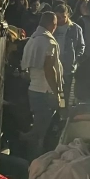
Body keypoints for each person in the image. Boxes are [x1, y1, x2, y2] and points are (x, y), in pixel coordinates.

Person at [20, 12, 63, 158]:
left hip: (34, 88)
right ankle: (34, 161)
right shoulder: (48, 41)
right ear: (52, 24)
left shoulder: (32, 39)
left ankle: (27, 146)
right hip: (45, 91)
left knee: (39, 126)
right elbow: (49, 68)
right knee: (40, 132)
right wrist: (56, 92)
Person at [53, 4, 85, 105]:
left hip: (68, 67)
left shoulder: (75, 28)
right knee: (54, 92)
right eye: (58, 17)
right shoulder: (52, 27)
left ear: (68, 15)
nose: (61, 19)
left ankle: (64, 112)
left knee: (65, 93)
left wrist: (75, 59)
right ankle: (56, 111)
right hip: (53, 65)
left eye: (64, 17)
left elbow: (81, 46)